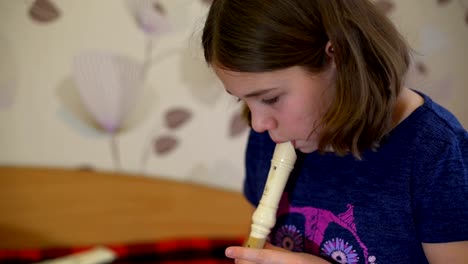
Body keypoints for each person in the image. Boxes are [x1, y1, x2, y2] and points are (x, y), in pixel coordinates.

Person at [201, 0, 468, 263]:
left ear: (337, 55)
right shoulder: (268, 138)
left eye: (270, 98)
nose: (258, 124)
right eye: (242, 99)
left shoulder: (435, 154)